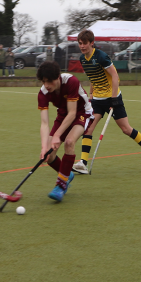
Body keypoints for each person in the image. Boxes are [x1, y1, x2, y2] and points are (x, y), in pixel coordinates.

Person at [74, 29, 141, 174]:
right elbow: (93, 77)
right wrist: (90, 96)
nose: (82, 46)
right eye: (80, 43)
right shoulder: (83, 59)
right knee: (88, 128)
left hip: (112, 98)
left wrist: (113, 98)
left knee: (126, 129)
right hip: (97, 100)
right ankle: (83, 162)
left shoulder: (101, 56)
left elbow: (115, 76)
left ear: (92, 43)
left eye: (85, 43)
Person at [36, 61, 88, 202]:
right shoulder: (43, 93)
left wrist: (57, 135)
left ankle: (60, 185)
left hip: (82, 113)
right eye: (44, 81)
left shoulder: (71, 81)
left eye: (50, 81)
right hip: (63, 115)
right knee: (49, 155)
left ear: (58, 77)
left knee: (69, 142)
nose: (47, 85)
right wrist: (43, 147)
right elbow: (44, 123)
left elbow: (72, 113)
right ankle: (66, 174)